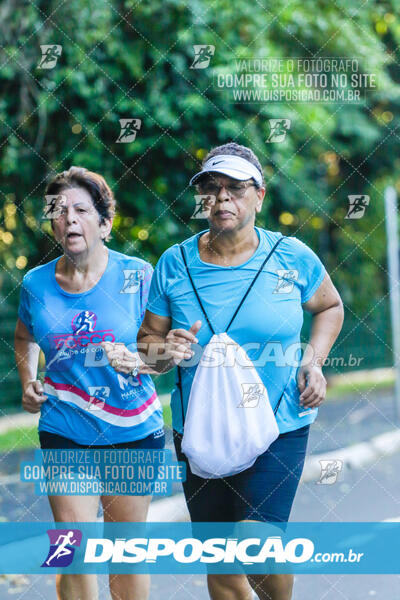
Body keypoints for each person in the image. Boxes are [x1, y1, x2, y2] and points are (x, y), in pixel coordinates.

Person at [136, 142, 344, 600]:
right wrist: (165, 350)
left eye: (236, 188)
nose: (223, 198)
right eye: (212, 188)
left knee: (256, 547)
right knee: (223, 567)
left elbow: (329, 305)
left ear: (259, 196)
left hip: (279, 423)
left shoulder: (291, 257)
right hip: (201, 430)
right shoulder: (174, 263)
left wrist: (314, 360)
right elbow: (146, 352)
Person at [14, 166, 164, 600]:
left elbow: (164, 356)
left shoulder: (139, 276)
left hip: (132, 428)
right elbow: (24, 335)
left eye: (82, 209)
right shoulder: (35, 284)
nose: (70, 219)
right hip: (65, 428)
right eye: (60, 211)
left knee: (125, 553)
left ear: (105, 223)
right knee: (71, 547)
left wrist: (139, 360)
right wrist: (28, 378)